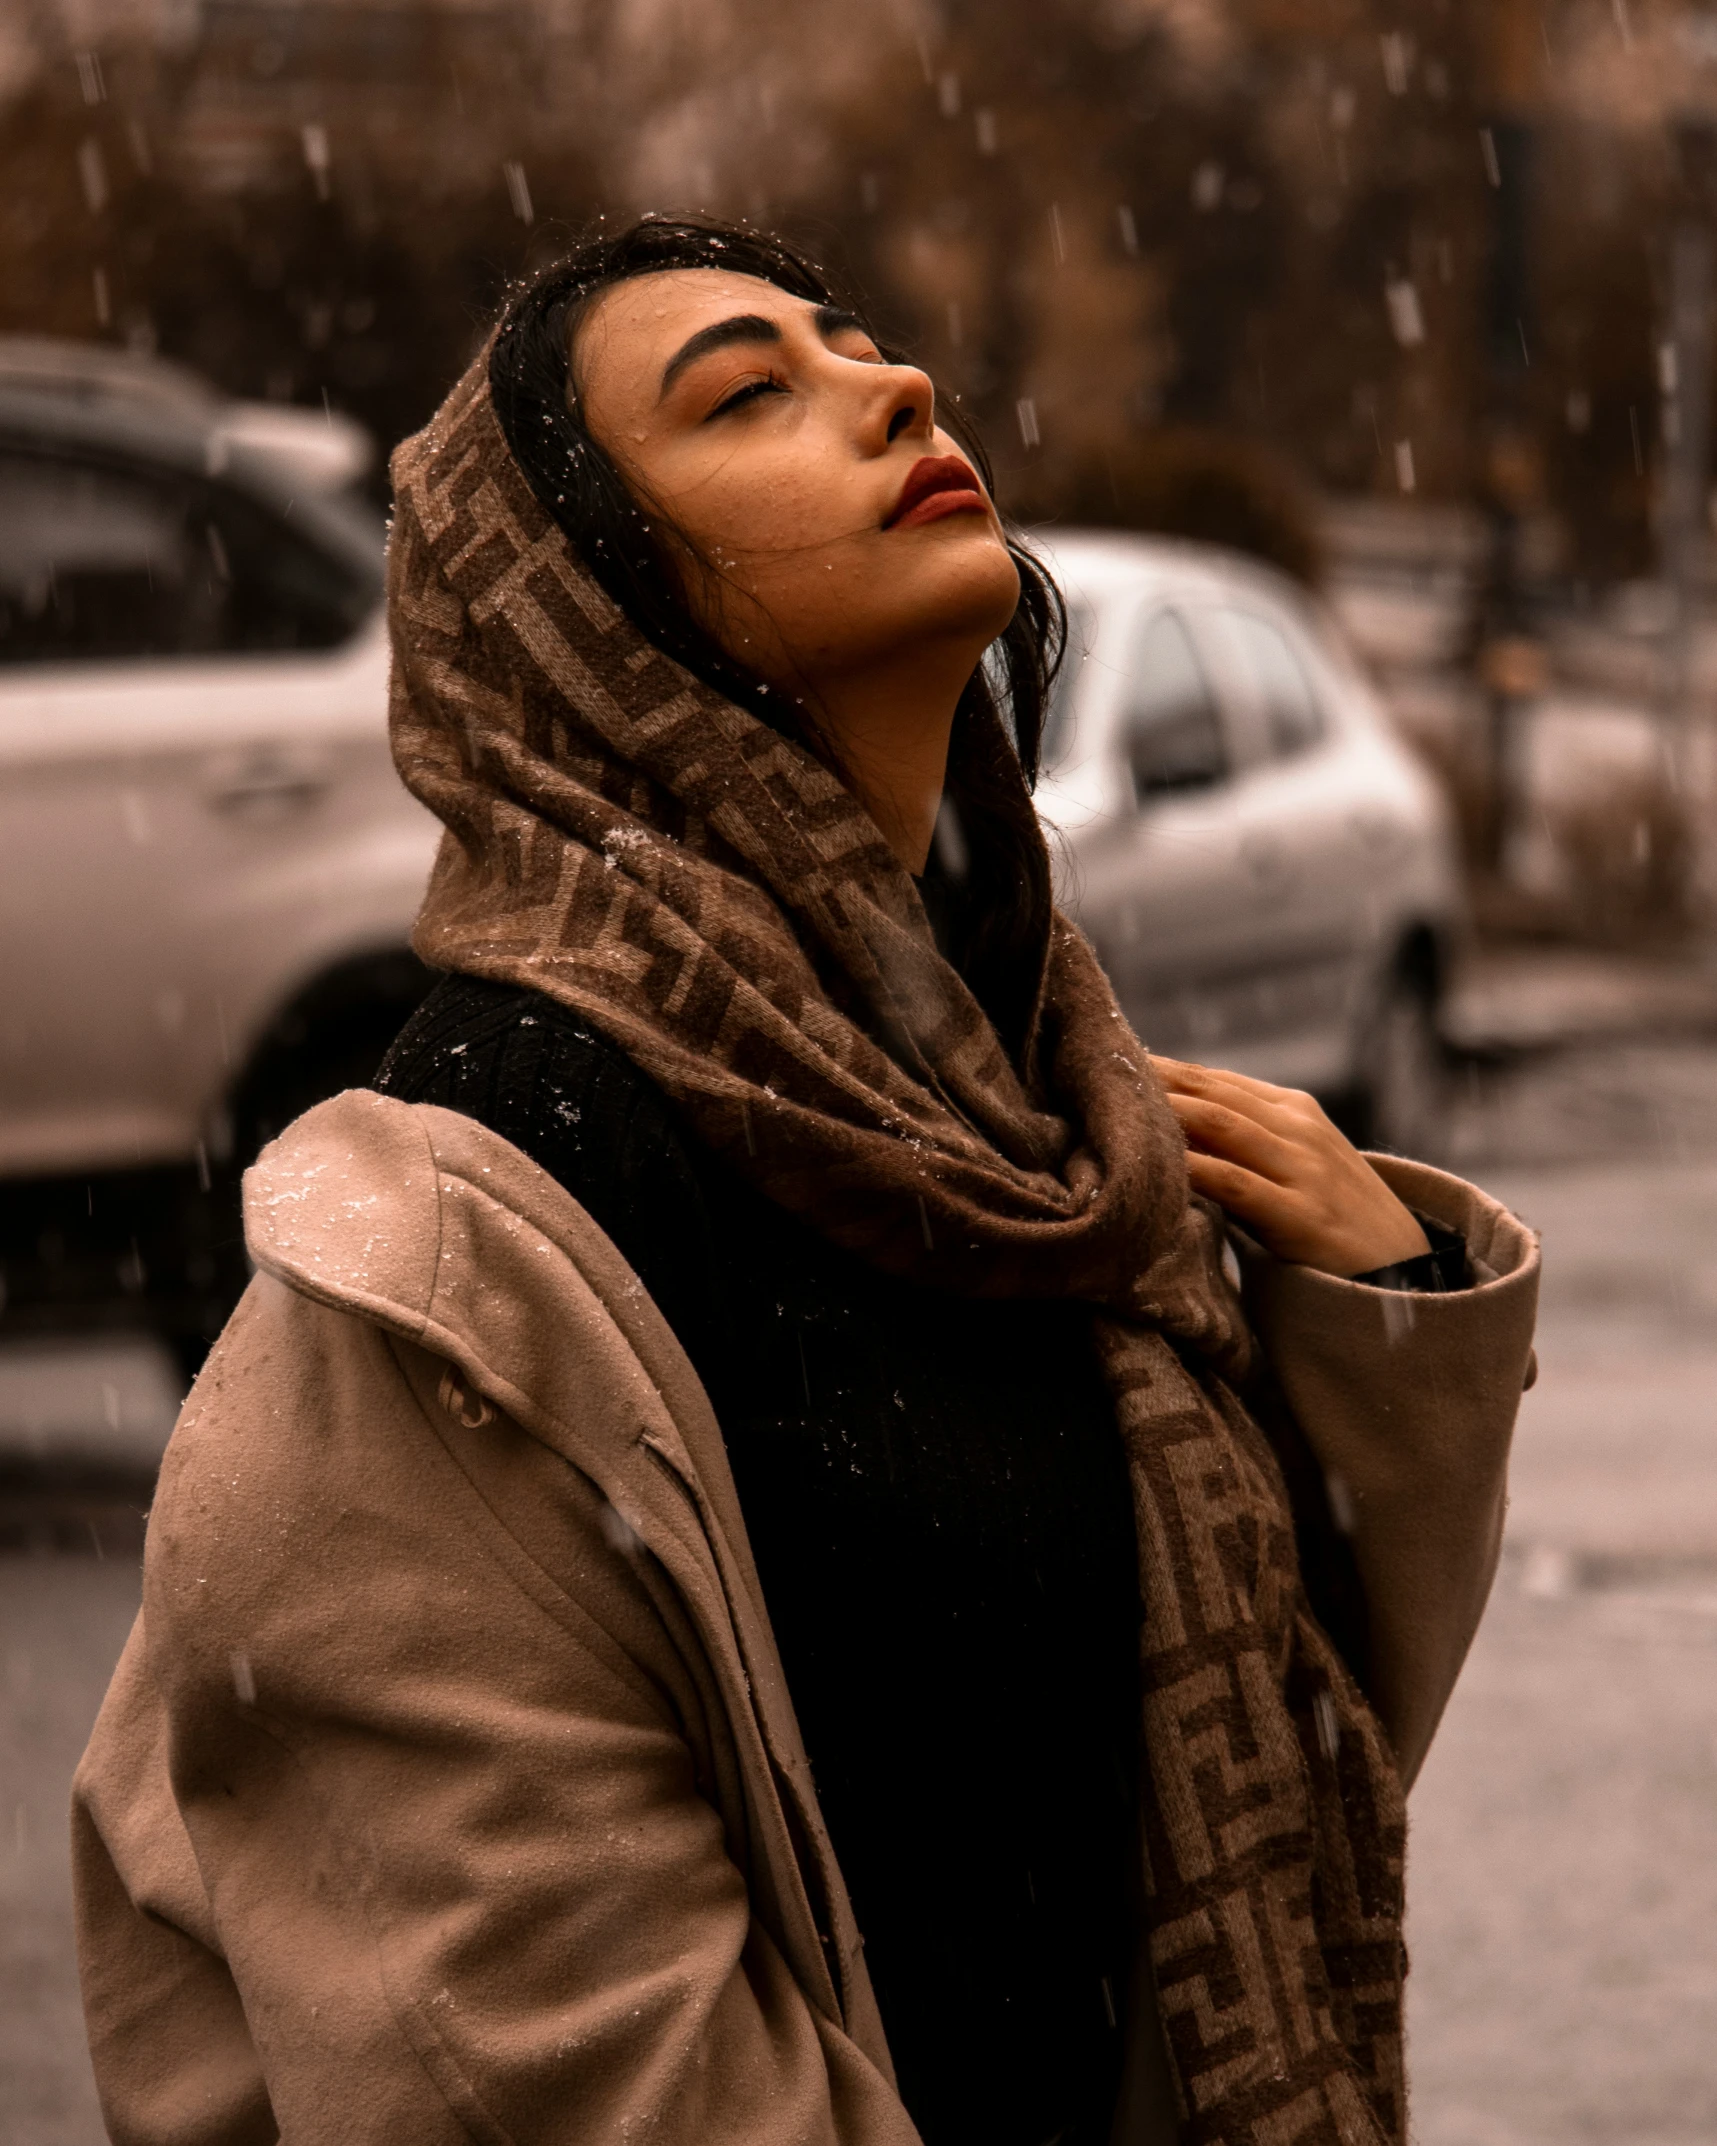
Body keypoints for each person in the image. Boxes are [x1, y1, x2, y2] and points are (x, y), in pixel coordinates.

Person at [72, 217, 1538, 2146]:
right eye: (749, 393)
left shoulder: (1028, 1120)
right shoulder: (489, 1206)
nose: (897, 386)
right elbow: (550, 2060)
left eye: (858, 343)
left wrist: (1382, 1343)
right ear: (592, 616)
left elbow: (1241, 1809)